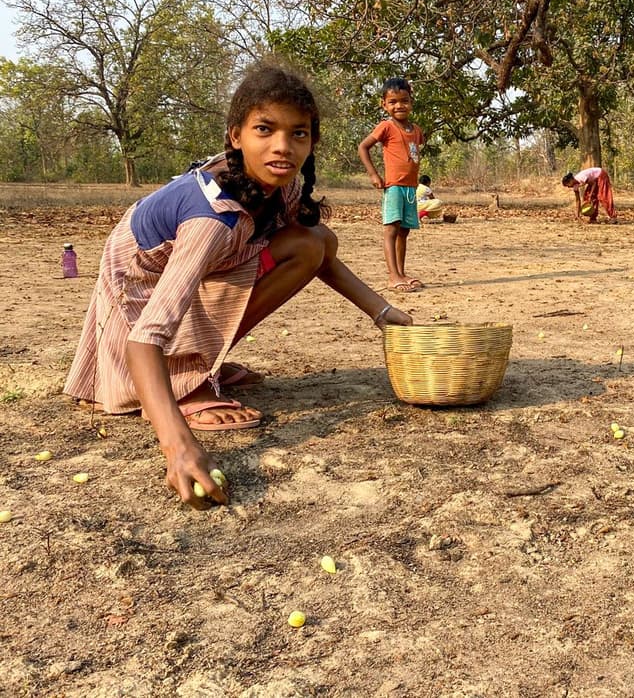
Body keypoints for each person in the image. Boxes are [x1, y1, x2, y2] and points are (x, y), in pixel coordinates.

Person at [63, 60, 412, 508]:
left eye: (298, 133)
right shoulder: (212, 219)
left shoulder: (279, 185)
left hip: (200, 261)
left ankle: (193, 363)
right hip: (136, 284)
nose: (282, 147)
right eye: (264, 130)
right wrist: (178, 447)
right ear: (236, 136)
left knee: (313, 241)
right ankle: (184, 384)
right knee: (164, 337)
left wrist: (384, 315)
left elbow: (320, 254)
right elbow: (144, 338)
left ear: (312, 141)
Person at [357, 77, 426, 292]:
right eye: (393, 101)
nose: (399, 106)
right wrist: (374, 175)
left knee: (404, 231)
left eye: (404, 101)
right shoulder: (386, 127)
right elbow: (363, 147)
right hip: (394, 186)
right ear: (384, 104)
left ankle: (402, 273)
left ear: (411, 102)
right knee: (391, 230)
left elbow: (413, 153)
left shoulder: (416, 130)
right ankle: (393, 276)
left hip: (410, 188)